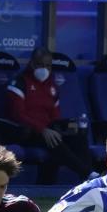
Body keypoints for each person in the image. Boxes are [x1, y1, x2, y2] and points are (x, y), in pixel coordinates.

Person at [6, 47, 94, 185]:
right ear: (32, 63)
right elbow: (17, 115)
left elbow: (55, 115)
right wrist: (42, 129)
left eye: (48, 66)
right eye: (40, 65)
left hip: (48, 129)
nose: (44, 69)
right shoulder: (19, 83)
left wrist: (61, 129)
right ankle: (87, 173)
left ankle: (87, 179)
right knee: (54, 139)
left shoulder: (51, 86)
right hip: (27, 132)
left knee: (77, 134)